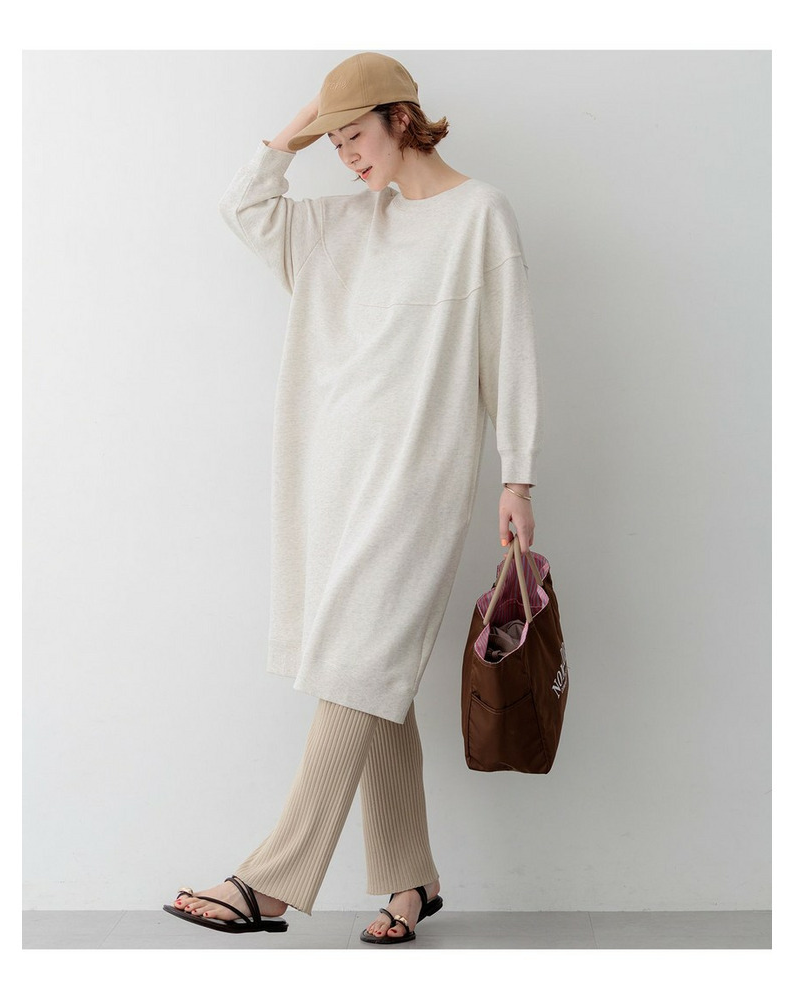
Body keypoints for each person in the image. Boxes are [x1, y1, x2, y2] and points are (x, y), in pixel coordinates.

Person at [163, 51, 542, 944]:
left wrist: (517, 472)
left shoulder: (480, 215)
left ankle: (269, 879)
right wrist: (304, 125)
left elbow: (512, 347)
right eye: (333, 144)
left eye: (355, 135)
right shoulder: (342, 225)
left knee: (356, 665)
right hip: (333, 478)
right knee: (374, 672)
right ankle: (412, 879)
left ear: (401, 118)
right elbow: (244, 206)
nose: (345, 156)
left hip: (419, 478)